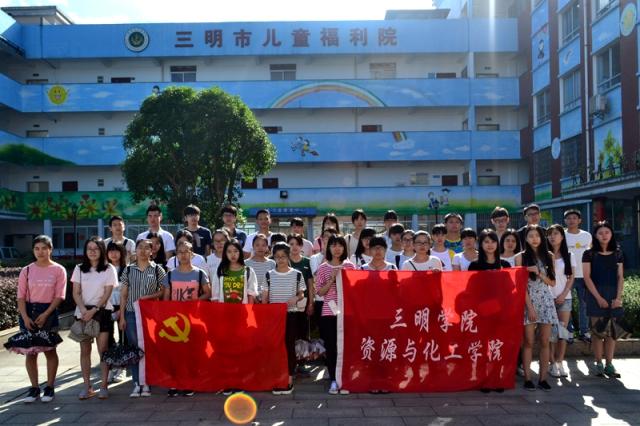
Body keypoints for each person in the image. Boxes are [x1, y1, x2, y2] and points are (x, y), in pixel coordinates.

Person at [17, 235, 67, 403]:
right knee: (30, 352)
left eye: (44, 248)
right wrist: (25, 317)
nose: (40, 252)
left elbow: (59, 296)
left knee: (49, 350)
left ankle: (50, 387)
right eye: (37, 248)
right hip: (29, 312)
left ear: (50, 249)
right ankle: (34, 388)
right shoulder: (27, 270)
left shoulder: (59, 270)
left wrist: (46, 314)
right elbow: (20, 296)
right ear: (33, 250)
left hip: (49, 313)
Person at [162, 240, 211, 397]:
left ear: (192, 254)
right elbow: (166, 298)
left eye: (186, 252)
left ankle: (190, 382)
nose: (183, 255)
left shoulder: (199, 273)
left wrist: (195, 301)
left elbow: (208, 293)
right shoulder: (170, 274)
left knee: (191, 352)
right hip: (175, 320)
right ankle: (174, 383)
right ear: (176, 254)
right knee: (175, 352)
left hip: (193, 318)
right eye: (180, 252)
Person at [71, 236, 118, 400]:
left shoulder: (109, 268)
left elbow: (107, 293)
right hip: (82, 313)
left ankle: (103, 385)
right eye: (89, 248)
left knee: (103, 350)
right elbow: (75, 292)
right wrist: (84, 309)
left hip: (102, 312)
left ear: (102, 250)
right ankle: (87, 386)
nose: (92, 251)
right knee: (85, 350)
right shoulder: (79, 269)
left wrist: (94, 310)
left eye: (96, 248)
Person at [119, 239, 166, 398]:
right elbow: (123, 295)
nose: (143, 251)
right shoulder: (128, 270)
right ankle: (136, 382)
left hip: (150, 314)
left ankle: (147, 382)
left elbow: (163, 291)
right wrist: (122, 317)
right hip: (131, 313)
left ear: (152, 252)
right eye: (140, 248)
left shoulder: (158, 269)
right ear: (136, 250)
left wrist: (148, 297)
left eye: (147, 248)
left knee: (148, 347)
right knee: (135, 348)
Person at [261, 242, 306, 395]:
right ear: (273, 257)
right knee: (275, 346)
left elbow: (302, 293)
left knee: (289, 346)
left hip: (290, 315)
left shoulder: (297, 274)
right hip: (273, 317)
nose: (280, 260)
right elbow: (265, 297)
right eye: (277, 257)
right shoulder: (269, 275)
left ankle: (288, 379)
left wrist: (296, 298)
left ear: (288, 257)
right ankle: (276, 377)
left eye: (283, 256)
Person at [582, 221, 625, 378]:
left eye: (607, 232)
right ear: (595, 235)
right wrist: (598, 298)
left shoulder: (618, 253)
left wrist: (618, 298)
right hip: (595, 294)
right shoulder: (589, 253)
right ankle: (599, 363)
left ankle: (609, 364)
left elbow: (620, 277)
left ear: (611, 234)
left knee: (612, 332)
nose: (604, 235)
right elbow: (587, 277)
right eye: (600, 233)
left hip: (613, 294)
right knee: (598, 332)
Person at [315, 235, 354, 395]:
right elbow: (320, 292)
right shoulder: (323, 267)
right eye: (333, 245)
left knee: (346, 346)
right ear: (328, 248)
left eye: (340, 245)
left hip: (347, 313)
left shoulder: (350, 266)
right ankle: (333, 379)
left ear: (344, 248)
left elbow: (354, 290)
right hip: (329, 312)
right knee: (331, 347)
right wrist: (332, 279)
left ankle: (346, 378)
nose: (337, 249)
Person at [521, 225, 557, 391]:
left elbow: (552, 282)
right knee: (528, 341)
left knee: (544, 341)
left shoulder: (549, 256)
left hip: (546, 301)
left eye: (537, 235)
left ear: (542, 238)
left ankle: (543, 379)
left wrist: (538, 273)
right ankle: (528, 378)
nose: (534, 239)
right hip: (528, 302)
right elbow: (521, 286)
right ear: (526, 238)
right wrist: (530, 308)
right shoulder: (520, 257)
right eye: (531, 236)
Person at [546, 225, 575, 378]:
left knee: (562, 332)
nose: (552, 236)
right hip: (547, 298)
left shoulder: (569, 255)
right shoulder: (544, 255)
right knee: (551, 333)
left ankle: (560, 362)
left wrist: (563, 294)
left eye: (556, 233)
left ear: (562, 237)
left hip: (565, 298)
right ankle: (551, 363)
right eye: (550, 234)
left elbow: (571, 278)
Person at [564, 208, 593, 342]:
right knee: (566, 305)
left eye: (574, 218)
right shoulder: (561, 235)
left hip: (584, 276)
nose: (571, 220)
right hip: (567, 276)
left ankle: (584, 331)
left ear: (580, 220)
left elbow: (591, 255)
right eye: (569, 218)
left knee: (584, 305)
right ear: (565, 220)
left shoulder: (587, 236)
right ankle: (568, 332)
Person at [106, 241, 127, 384]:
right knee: (108, 339)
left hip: (122, 306)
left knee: (123, 338)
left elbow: (128, 292)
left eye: (116, 251)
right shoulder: (104, 269)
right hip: (106, 307)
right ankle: (110, 367)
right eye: (111, 251)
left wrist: (121, 310)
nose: (113, 254)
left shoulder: (126, 270)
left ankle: (122, 368)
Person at [212, 239, 258, 304]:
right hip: (223, 309)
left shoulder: (249, 271)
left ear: (240, 252)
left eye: (236, 251)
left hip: (243, 309)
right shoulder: (220, 270)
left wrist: (249, 309)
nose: (233, 254)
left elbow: (251, 294)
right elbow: (215, 296)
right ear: (225, 253)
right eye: (229, 251)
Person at [245, 234, 276, 301]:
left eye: (263, 245)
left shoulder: (272, 263)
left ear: (267, 247)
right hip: (250, 299)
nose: (260, 248)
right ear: (253, 246)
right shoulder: (246, 263)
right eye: (257, 245)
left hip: (267, 299)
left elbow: (274, 283)